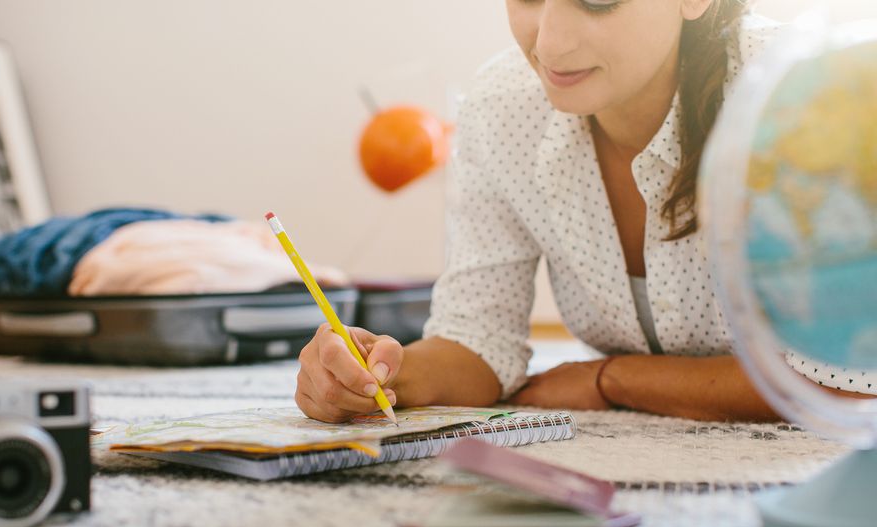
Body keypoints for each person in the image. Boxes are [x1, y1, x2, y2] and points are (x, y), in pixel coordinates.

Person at [296, 0, 871, 424]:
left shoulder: (805, 100)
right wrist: (379, 375)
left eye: (597, 1)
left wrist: (610, 378)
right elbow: (477, 340)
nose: (549, 44)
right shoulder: (502, 108)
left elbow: (850, 380)